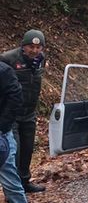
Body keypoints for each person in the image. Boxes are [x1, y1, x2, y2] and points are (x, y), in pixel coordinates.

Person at [0, 30, 47, 193]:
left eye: (38, 47)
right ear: (23, 46)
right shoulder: (8, 59)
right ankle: (11, 189)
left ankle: (25, 182)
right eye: (30, 47)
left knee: (27, 150)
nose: (34, 51)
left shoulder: (40, 60)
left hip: (30, 113)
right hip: (11, 114)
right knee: (15, 152)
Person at [0, 61, 28, 203]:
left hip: (2, 136)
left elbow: (16, 98)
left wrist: (2, 126)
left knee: (11, 183)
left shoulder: (4, 71)